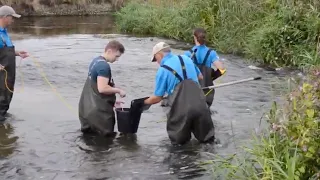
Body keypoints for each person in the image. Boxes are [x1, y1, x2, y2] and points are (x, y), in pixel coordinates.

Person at [144, 42, 215, 145]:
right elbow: (200, 77)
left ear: (159, 54)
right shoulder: (187, 59)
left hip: (181, 111)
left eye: (156, 59)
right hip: (200, 105)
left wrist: (143, 102)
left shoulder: (163, 70)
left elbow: (157, 98)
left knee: (179, 146)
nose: (157, 62)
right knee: (208, 142)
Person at [78, 40, 126, 136]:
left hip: (87, 111)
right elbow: (102, 88)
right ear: (109, 51)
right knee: (105, 145)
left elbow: (97, 87)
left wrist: (113, 101)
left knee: (89, 142)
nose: (117, 60)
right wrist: (119, 90)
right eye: (116, 56)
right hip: (100, 115)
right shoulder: (103, 66)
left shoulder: (95, 61)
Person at [184, 28, 226, 108]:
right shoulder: (211, 53)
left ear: (195, 38)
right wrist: (211, 77)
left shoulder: (188, 53)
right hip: (206, 88)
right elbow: (222, 69)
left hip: (192, 88)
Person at [0, 6, 29, 121]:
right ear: (6, 17)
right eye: (12, 17)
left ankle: (3, 119)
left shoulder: (4, 32)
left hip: (9, 74)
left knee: (7, 96)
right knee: (1, 98)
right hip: (1, 75)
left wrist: (17, 53)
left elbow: (5, 49)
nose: (13, 20)